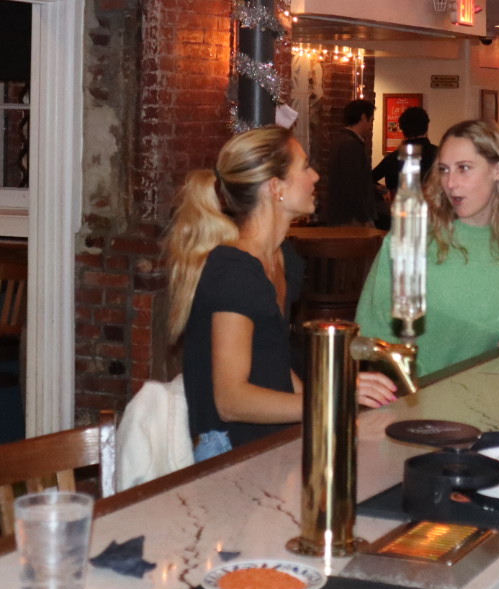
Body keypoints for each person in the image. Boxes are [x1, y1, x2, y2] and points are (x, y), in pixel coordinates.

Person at [162, 127, 396, 461]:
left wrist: (337, 413)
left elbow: (275, 362)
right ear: (276, 188)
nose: (315, 175)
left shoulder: (282, 258)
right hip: (228, 451)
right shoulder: (235, 271)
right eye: (304, 166)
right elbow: (230, 401)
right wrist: (333, 400)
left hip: (268, 439)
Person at [356, 119, 499, 379]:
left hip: (488, 380)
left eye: (464, 168)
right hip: (413, 388)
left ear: (498, 169)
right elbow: (374, 321)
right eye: (444, 169)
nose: (450, 183)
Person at [323, 98, 380, 227]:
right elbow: (353, 184)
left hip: (343, 215)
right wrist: (363, 217)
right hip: (350, 218)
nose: (371, 126)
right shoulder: (350, 144)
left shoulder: (341, 140)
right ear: (364, 118)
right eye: (371, 120)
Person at [371, 105, 434, 191]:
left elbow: (368, 179)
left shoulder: (391, 159)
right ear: (427, 127)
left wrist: (381, 189)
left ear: (402, 129)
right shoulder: (439, 155)